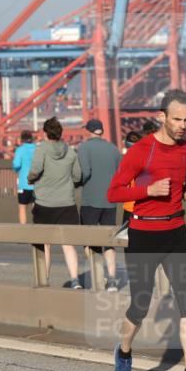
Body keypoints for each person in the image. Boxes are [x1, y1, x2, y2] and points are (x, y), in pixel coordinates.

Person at [107, 89, 186, 371]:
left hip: (176, 231)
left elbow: (178, 185)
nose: (182, 125)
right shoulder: (141, 150)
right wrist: (148, 190)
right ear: (161, 117)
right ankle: (124, 353)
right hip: (144, 234)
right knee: (140, 303)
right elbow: (113, 193)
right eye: (177, 119)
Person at [28, 117, 83, 288]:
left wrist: (31, 179)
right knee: (68, 244)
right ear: (60, 133)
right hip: (67, 203)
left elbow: (35, 171)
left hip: (44, 203)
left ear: (45, 133)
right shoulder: (71, 151)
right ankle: (75, 280)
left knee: (45, 244)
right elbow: (77, 176)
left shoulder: (41, 150)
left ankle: (44, 280)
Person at [77, 119, 123, 291]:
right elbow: (120, 173)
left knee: (89, 240)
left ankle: (99, 276)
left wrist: (78, 182)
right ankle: (112, 279)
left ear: (88, 131)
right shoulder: (113, 149)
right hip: (110, 201)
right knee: (108, 241)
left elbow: (85, 172)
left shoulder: (84, 148)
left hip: (90, 200)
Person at [12, 130, 37, 225]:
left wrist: (16, 169)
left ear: (22, 139)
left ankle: (23, 231)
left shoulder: (20, 150)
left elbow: (16, 164)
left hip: (24, 184)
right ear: (31, 138)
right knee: (36, 208)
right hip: (37, 185)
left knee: (22, 207)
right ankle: (38, 229)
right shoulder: (37, 149)